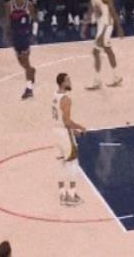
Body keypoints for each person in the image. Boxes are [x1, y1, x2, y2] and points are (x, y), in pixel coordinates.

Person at [84, 0, 124, 90]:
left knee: (96, 51)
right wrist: (85, 25)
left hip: (107, 25)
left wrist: (119, 27)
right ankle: (116, 76)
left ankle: (97, 81)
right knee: (107, 50)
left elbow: (113, 10)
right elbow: (91, 9)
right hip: (100, 26)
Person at [52, 73, 85, 205]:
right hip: (64, 133)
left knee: (61, 163)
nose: (70, 82)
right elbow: (66, 121)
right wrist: (79, 127)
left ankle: (62, 194)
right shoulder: (66, 100)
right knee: (73, 163)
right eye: (68, 80)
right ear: (62, 83)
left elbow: (60, 118)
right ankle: (72, 196)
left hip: (55, 132)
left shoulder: (55, 95)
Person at [6, 0, 37, 100]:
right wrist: (6, 35)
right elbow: (7, 21)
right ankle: (31, 70)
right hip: (16, 37)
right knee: (22, 62)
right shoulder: (9, 5)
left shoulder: (29, 5)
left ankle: (29, 89)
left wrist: (33, 34)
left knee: (25, 60)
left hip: (25, 37)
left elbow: (35, 19)